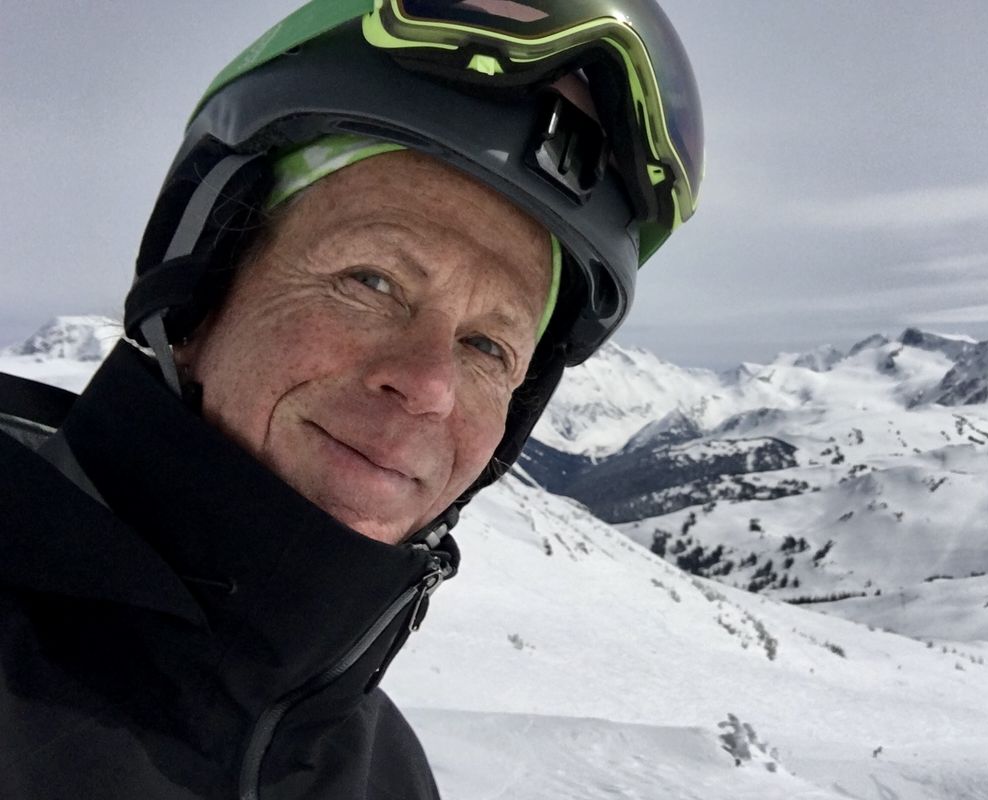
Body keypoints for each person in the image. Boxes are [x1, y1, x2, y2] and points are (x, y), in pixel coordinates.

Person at [0, 1, 702, 798]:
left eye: (488, 347)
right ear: (196, 291)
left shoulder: (379, 769)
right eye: (371, 281)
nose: (430, 385)